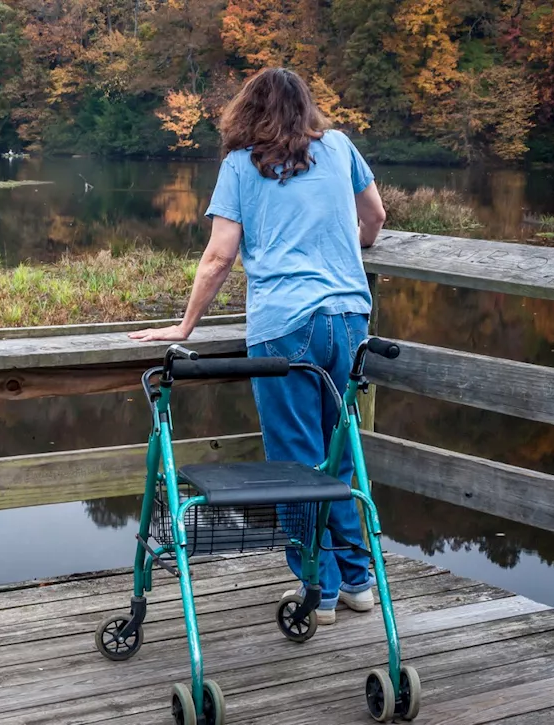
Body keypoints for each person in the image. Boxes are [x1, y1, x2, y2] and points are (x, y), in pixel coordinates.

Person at [129, 67, 387, 625]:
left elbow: (221, 255)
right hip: (348, 316)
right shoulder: (340, 147)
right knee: (338, 450)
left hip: (285, 326)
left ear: (247, 112)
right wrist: (351, 250)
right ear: (307, 108)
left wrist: (185, 327)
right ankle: (360, 580)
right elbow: (375, 218)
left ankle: (318, 591)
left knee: (295, 459)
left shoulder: (241, 166)